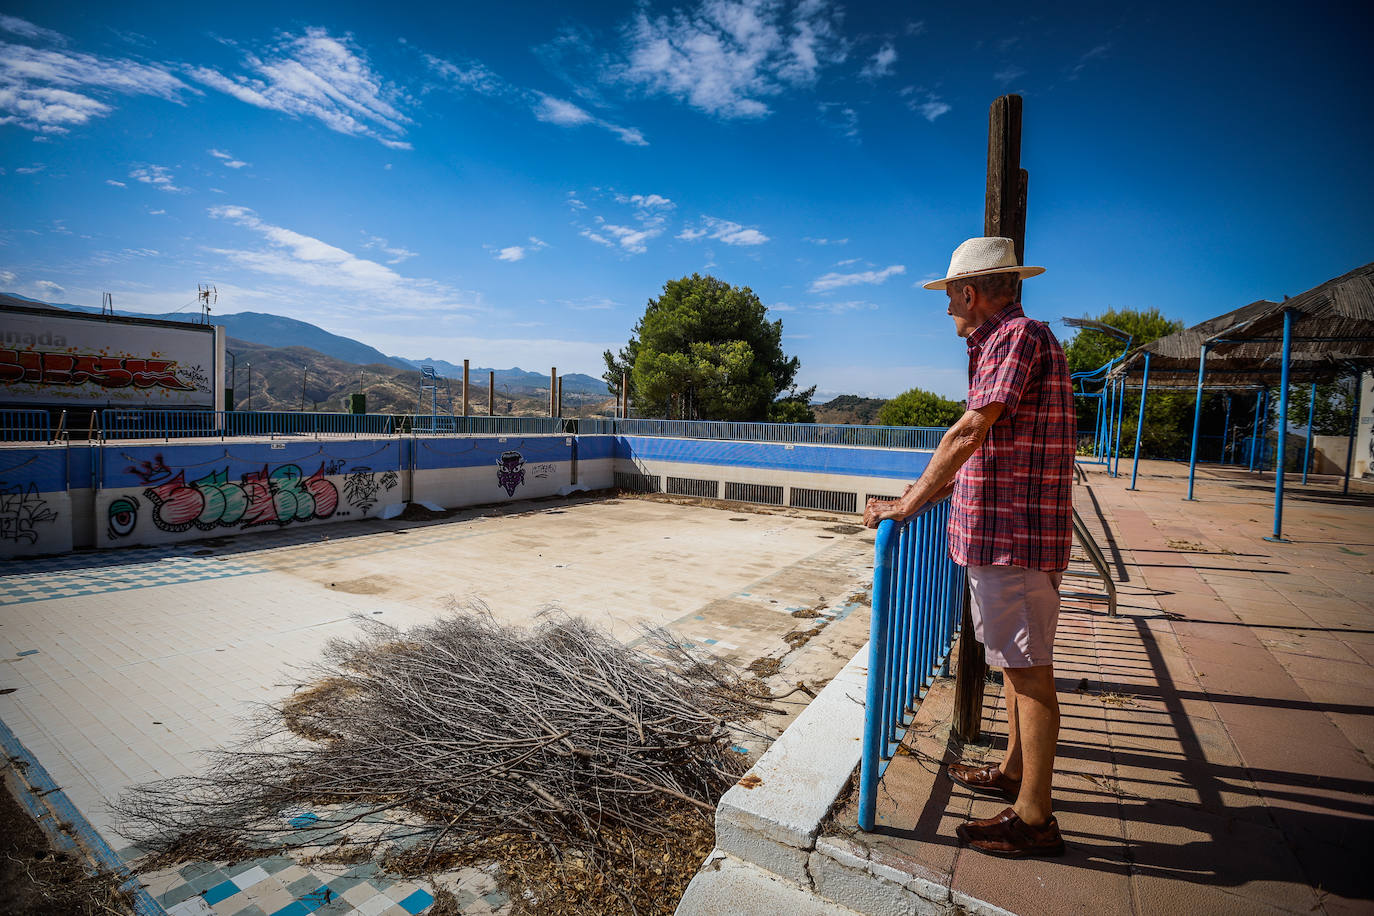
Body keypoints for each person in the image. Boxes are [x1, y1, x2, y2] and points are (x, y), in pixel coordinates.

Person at [862, 236, 1075, 858]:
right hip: (1006, 535)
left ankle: (1035, 818)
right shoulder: (1012, 340)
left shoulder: (1015, 338)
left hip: (1012, 537)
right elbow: (981, 439)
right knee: (1016, 661)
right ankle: (1013, 772)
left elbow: (972, 428)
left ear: (970, 292)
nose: (947, 308)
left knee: (1030, 671)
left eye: (950, 296)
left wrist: (908, 505)